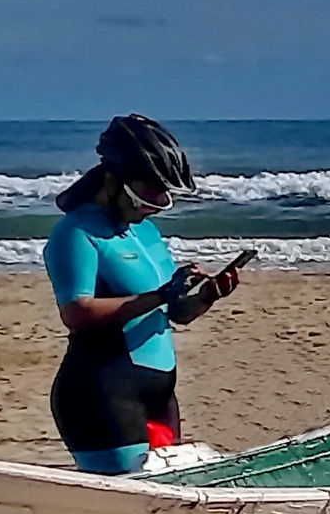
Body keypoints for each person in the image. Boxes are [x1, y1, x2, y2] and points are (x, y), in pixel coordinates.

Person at [44, 114, 240, 474]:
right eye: (149, 193)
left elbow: (173, 312)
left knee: (168, 496)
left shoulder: (146, 233)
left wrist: (206, 297)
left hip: (160, 393)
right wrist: (161, 296)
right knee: (126, 501)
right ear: (114, 180)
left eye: (164, 196)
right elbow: (76, 312)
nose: (156, 203)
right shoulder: (76, 233)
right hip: (103, 392)